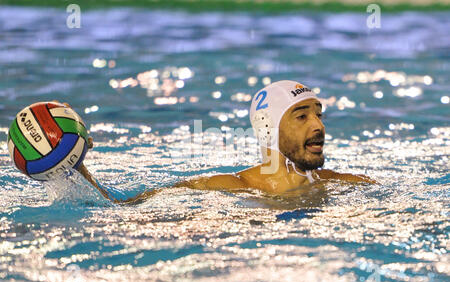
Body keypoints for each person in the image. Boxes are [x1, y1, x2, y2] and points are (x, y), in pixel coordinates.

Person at [74, 80, 377, 204]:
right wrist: (76, 165)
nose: (319, 125)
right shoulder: (224, 189)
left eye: (319, 115)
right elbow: (119, 208)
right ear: (268, 127)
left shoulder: (347, 184)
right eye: (302, 117)